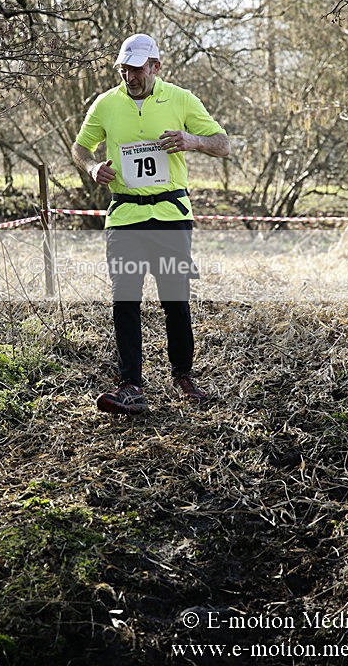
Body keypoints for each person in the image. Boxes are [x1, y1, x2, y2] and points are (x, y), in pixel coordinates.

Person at [72, 33, 230, 415]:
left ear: (155, 67)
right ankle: (130, 384)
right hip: (126, 216)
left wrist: (190, 140)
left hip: (171, 217)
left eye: (137, 69)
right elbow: (80, 147)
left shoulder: (181, 99)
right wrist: (93, 167)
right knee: (125, 299)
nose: (130, 77)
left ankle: (183, 375)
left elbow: (222, 143)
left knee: (174, 300)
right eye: (124, 69)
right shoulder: (106, 104)